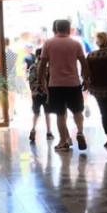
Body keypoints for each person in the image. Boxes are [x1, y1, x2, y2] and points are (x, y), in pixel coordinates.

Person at [38, 19, 90, 151]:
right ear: (68, 29)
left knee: (60, 114)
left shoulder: (48, 43)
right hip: (73, 83)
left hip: (56, 84)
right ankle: (80, 132)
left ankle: (63, 141)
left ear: (56, 29)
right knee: (77, 111)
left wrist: (40, 82)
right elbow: (84, 62)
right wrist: (86, 78)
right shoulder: (75, 43)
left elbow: (42, 64)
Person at [27, 48, 54, 143]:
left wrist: (34, 90)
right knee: (47, 113)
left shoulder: (32, 67)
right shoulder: (47, 67)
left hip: (36, 93)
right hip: (46, 93)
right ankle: (49, 132)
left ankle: (33, 129)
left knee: (36, 113)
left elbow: (30, 81)